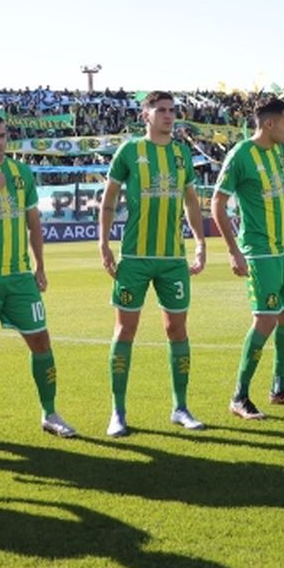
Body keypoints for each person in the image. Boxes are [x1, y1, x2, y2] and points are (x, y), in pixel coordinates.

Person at [0, 112, 75, 451]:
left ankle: (50, 413)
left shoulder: (21, 173)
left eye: (2, 135)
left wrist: (40, 266)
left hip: (19, 276)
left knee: (41, 342)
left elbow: (34, 223)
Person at [97, 91, 208, 436]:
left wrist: (201, 241)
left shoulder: (181, 153)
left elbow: (191, 201)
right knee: (124, 331)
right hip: (135, 258)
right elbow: (109, 199)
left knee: (177, 330)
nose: (168, 116)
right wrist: (103, 243)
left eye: (172, 111)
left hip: (173, 259)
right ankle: (117, 412)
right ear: (145, 115)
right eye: (161, 110)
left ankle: (181, 407)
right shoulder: (130, 151)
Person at [214, 96, 284, 420]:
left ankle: (280, 389)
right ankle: (239, 396)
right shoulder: (241, 155)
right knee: (265, 320)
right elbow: (217, 204)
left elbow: (281, 195)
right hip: (259, 252)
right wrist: (233, 251)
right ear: (268, 123)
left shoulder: (277, 154)